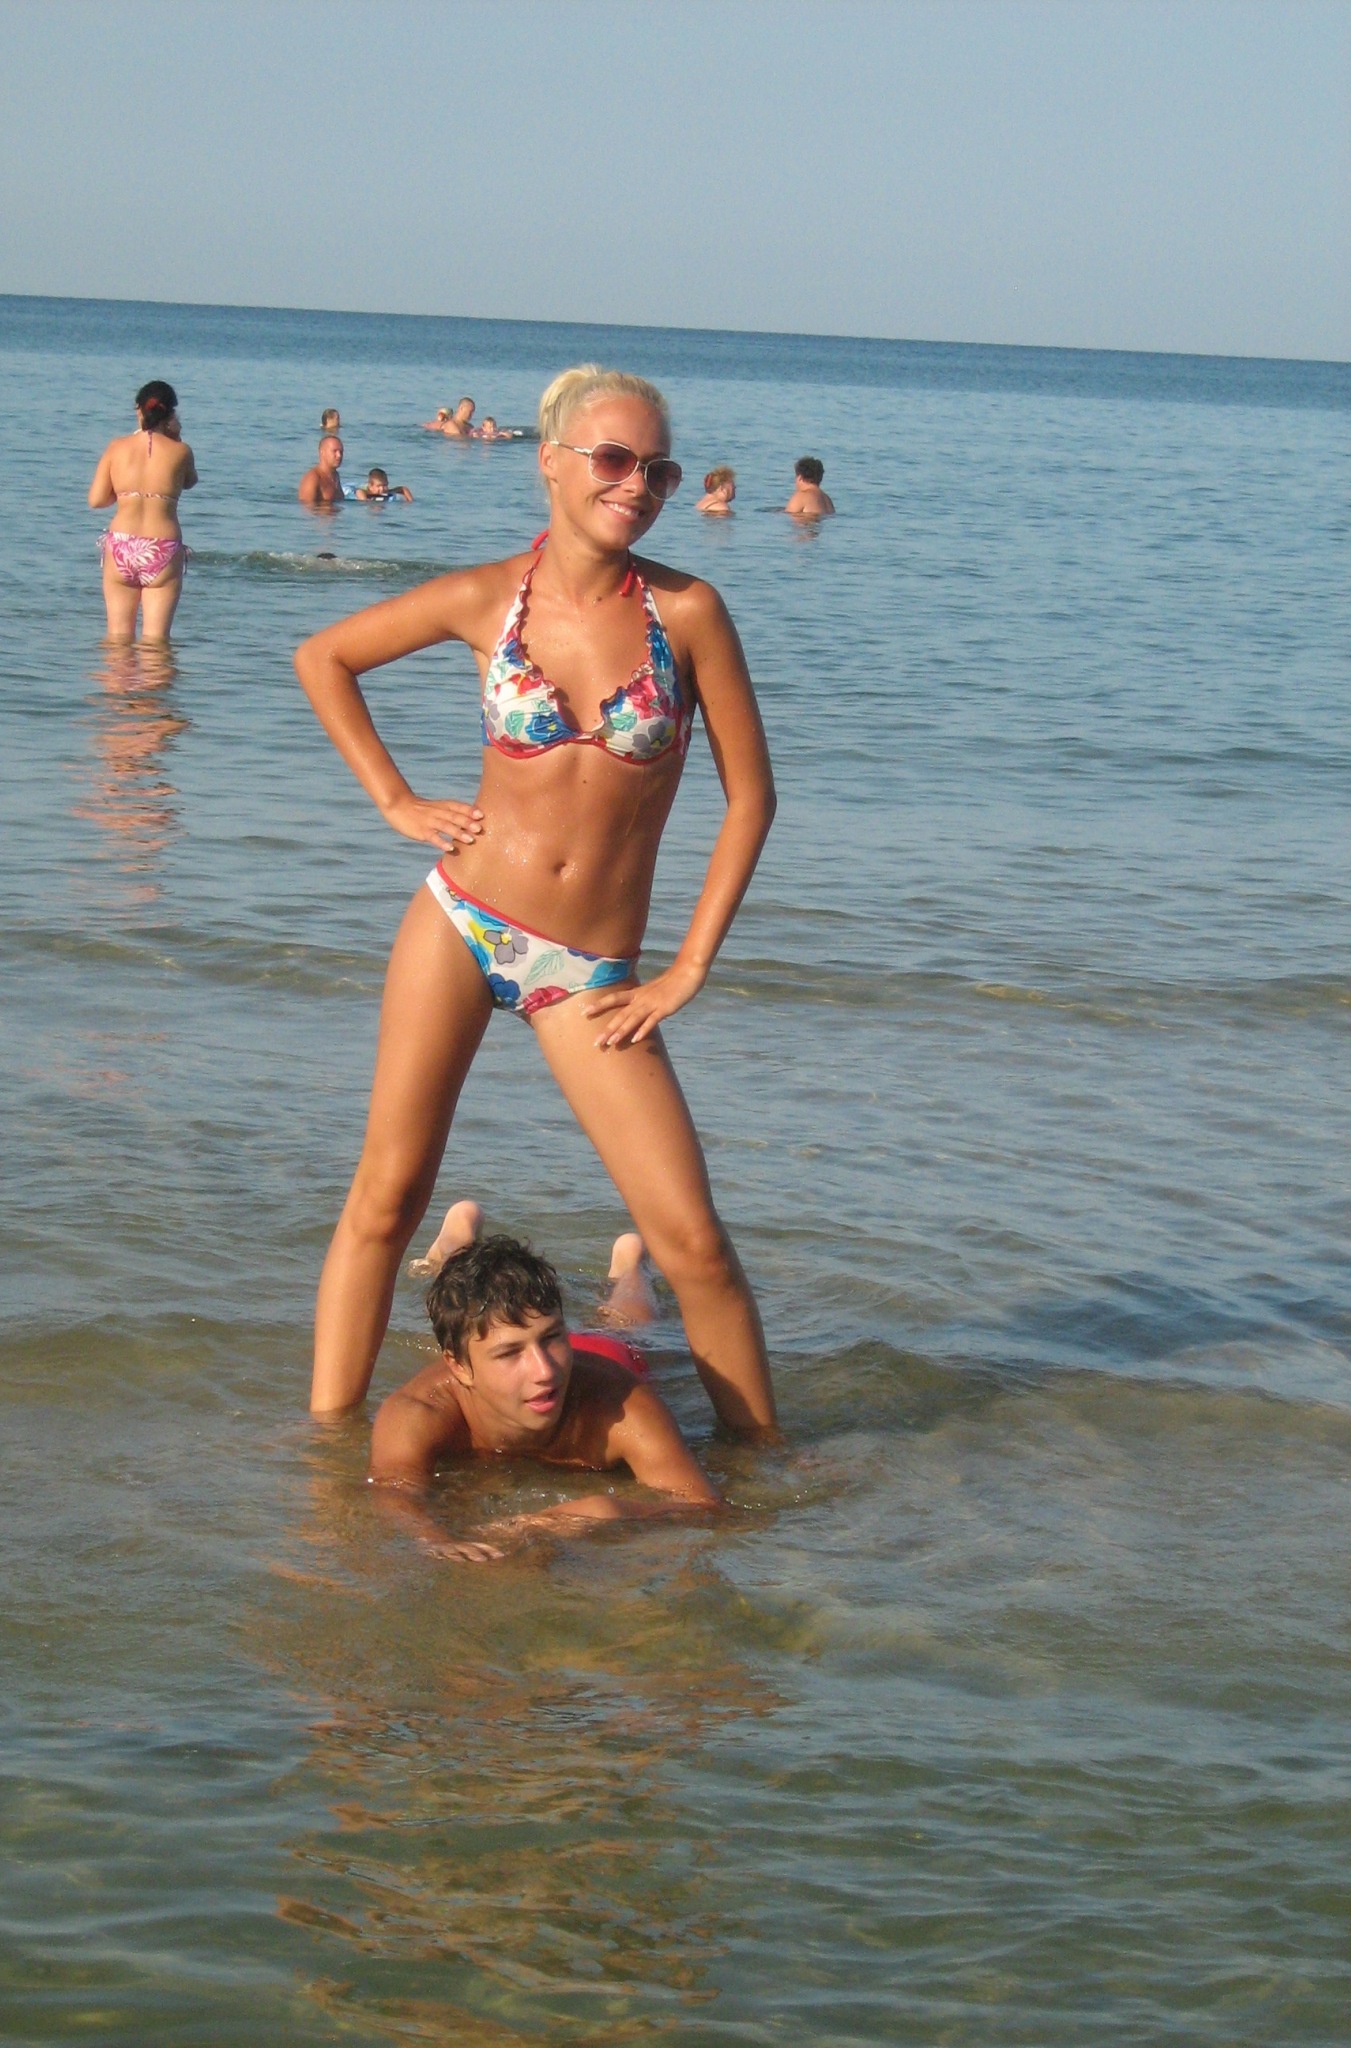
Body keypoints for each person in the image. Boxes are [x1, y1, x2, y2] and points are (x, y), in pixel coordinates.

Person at [293, 363, 778, 1435]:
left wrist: (689, 968)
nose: (637, 484)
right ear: (552, 462)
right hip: (463, 921)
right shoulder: (485, 597)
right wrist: (397, 799)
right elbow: (324, 657)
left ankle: (765, 1473)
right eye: (614, 459)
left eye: (659, 470)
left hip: (591, 972)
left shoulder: (689, 613)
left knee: (695, 1244)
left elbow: (752, 799)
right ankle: (327, 1456)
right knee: (386, 1196)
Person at [370, 1222, 721, 1562]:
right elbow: (394, 1500)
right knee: (467, 1315)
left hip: (607, 1353)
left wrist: (596, 1511)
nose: (545, 1372)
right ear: (459, 1367)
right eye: (509, 1354)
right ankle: (454, 1239)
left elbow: (706, 1508)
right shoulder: (418, 1411)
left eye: (554, 1336)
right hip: (504, 1349)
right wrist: (433, 1539)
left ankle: (632, 1263)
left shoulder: (619, 1405)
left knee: (625, 1324)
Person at [88, 380, 197, 642]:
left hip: (122, 545)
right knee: (156, 643)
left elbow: (96, 500)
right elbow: (190, 481)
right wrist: (176, 437)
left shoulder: (116, 447)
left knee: (118, 639)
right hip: (162, 547)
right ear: (171, 414)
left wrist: (125, 494)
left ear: (139, 410)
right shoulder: (181, 451)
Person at [299, 434, 347, 507]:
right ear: (322, 452)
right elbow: (306, 510)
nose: (339, 455)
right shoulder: (312, 478)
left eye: (341, 452)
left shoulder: (335, 475)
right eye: (334, 451)